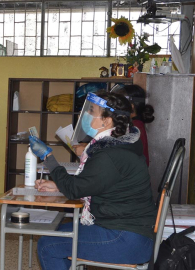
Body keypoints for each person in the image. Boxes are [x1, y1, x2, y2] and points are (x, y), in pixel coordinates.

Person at [30, 91, 156, 270]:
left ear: (106, 120)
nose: (87, 115)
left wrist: (48, 157)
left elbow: (75, 190)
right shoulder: (123, 143)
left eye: (91, 111)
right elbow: (96, 182)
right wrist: (59, 184)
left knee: (48, 246)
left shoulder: (109, 154)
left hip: (125, 239)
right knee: (57, 234)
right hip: (132, 232)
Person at [112, 84, 154, 166]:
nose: (115, 107)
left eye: (119, 104)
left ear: (131, 107)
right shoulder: (135, 123)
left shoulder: (134, 127)